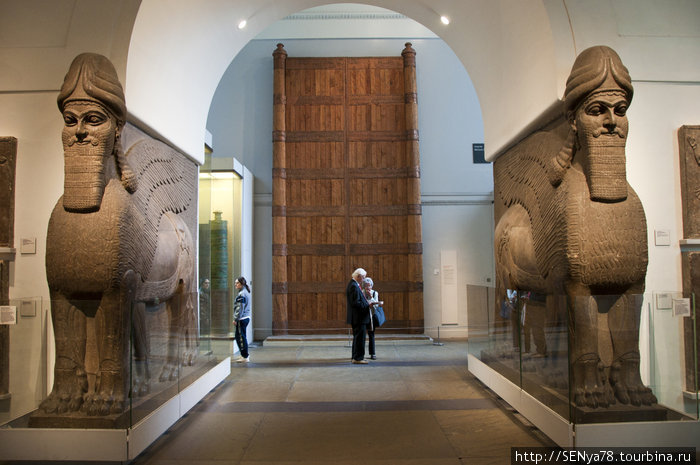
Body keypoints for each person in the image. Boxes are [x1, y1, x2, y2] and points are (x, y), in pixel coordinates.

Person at [346, 268, 377, 364]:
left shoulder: (354, 285)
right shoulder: (353, 286)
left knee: (358, 338)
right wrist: (368, 304)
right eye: (363, 277)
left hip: (358, 317)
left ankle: (355, 357)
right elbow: (355, 303)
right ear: (358, 276)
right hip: (359, 317)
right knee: (360, 339)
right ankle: (358, 358)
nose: (364, 279)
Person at [233, 276, 251, 363]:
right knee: (240, 336)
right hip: (245, 318)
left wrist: (236, 319)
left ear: (241, 284)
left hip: (242, 318)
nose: (235, 285)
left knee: (240, 337)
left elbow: (240, 308)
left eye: (237, 283)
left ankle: (245, 356)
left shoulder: (242, 294)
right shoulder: (245, 292)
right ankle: (244, 354)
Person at [362, 277, 381, 360]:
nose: (368, 287)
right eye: (366, 286)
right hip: (363, 316)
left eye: (369, 286)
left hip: (372, 316)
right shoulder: (361, 292)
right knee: (362, 335)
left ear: (372, 286)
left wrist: (371, 297)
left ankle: (372, 353)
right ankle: (360, 354)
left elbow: (376, 305)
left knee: (371, 335)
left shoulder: (374, 293)